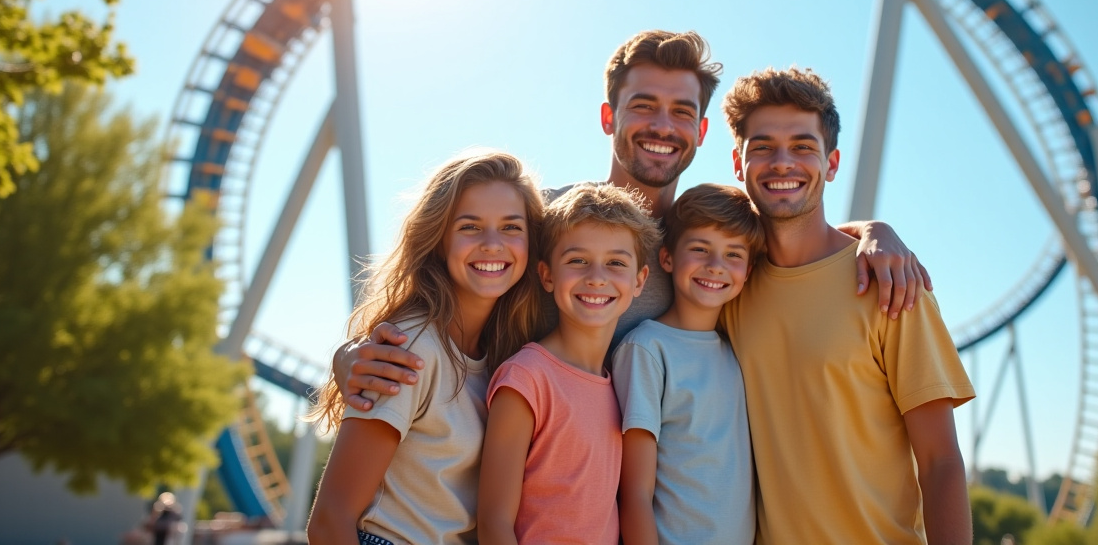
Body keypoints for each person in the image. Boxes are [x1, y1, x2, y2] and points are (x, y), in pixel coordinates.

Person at [334, 30, 932, 406]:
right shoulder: (546, 221)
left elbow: (796, 231)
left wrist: (874, 231)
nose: (661, 126)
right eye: (642, 105)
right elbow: (436, 295)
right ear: (608, 117)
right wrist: (350, 355)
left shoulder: (708, 243)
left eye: (681, 112)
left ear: (700, 132)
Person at [719, 66, 975, 544]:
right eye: (762, 147)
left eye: (802, 146)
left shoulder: (893, 285)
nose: (782, 162)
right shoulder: (729, 287)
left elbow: (941, 462)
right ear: (738, 163)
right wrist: (871, 226)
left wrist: (874, 231)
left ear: (831, 163)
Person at [306, 152, 546, 545]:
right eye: (470, 226)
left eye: (510, 227)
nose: (492, 244)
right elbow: (330, 521)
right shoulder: (410, 348)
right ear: (439, 239)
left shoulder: (505, 354)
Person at [476, 183, 662, 545]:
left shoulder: (619, 386)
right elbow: (494, 524)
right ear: (547, 275)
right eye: (578, 261)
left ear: (640, 280)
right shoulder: (527, 379)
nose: (597, 277)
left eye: (616, 263)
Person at [612, 183, 763, 545]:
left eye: (733, 255)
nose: (715, 266)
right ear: (667, 258)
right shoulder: (647, 349)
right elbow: (633, 494)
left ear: (748, 270)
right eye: (700, 249)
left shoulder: (735, 352)